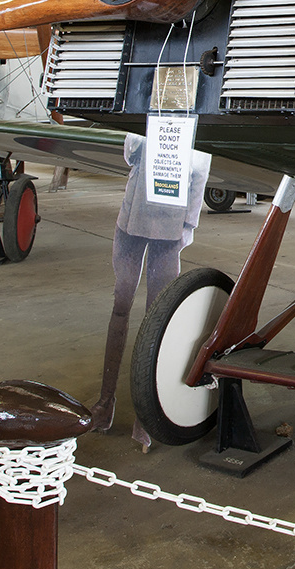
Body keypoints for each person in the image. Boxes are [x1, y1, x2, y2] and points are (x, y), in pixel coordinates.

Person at [90, 132, 211, 448]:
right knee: (125, 307)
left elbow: (199, 168)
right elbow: (132, 150)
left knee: (153, 319)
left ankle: (142, 414)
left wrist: (187, 227)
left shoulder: (184, 119)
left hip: (167, 223)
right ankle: (106, 404)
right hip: (138, 216)